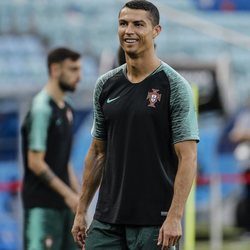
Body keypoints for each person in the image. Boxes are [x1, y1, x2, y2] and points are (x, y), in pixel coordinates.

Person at [72, 1, 199, 249]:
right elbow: (98, 153)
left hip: (155, 221)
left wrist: (174, 216)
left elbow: (188, 157)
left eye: (138, 24)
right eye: (123, 23)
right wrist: (81, 210)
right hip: (108, 219)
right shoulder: (105, 84)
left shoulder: (175, 86)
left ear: (156, 31)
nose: (129, 30)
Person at [21, 47, 81, 250]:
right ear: (55, 70)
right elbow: (35, 162)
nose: (79, 77)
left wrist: (78, 197)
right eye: (72, 69)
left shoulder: (68, 107)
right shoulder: (41, 108)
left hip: (66, 207)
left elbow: (65, 161)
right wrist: (68, 194)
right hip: (42, 207)